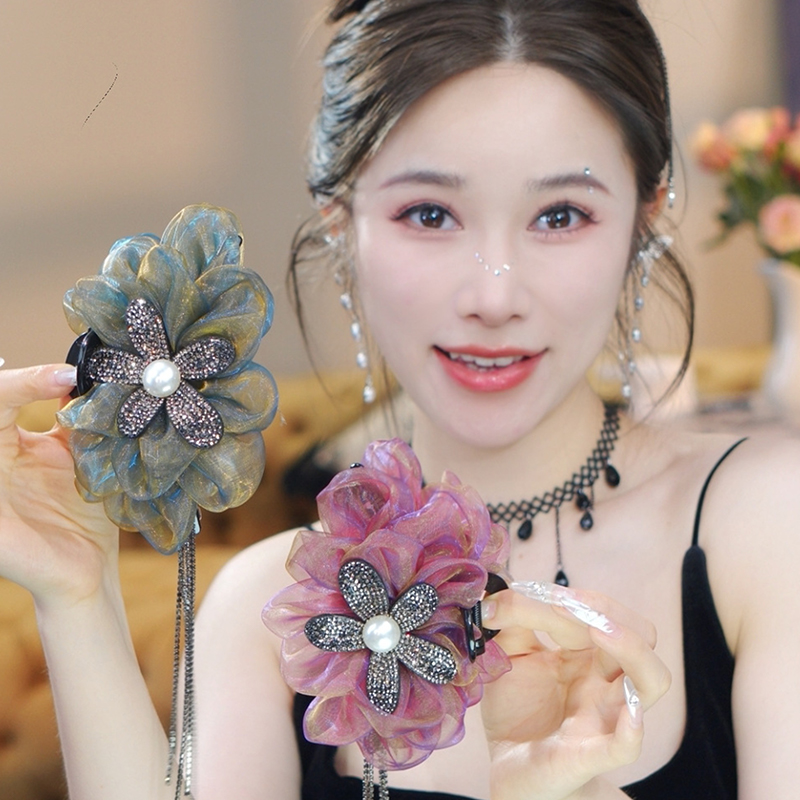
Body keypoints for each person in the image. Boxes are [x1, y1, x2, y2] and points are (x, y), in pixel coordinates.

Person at [1, 1, 798, 798]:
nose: (494, 296)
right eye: (430, 214)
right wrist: (77, 598)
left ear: (644, 222)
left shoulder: (767, 526)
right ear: (341, 225)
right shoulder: (267, 609)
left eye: (560, 215)